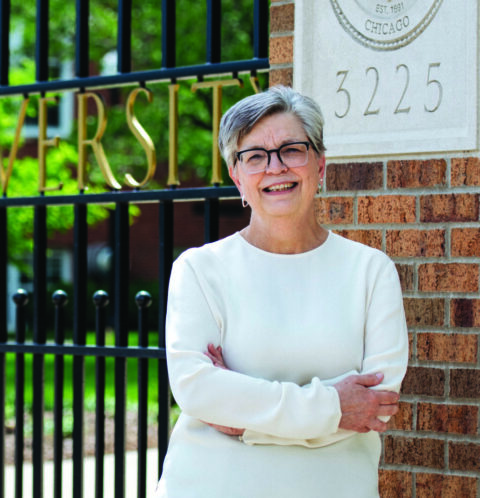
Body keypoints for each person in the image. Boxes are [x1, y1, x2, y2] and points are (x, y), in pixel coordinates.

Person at [155, 85, 408, 497]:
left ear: (320, 165)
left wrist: (244, 416)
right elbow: (197, 390)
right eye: (254, 156)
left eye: (292, 149)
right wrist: (332, 408)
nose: (275, 168)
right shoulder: (200, 270)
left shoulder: (370, 271)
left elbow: (374, 404)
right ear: (236, 175)